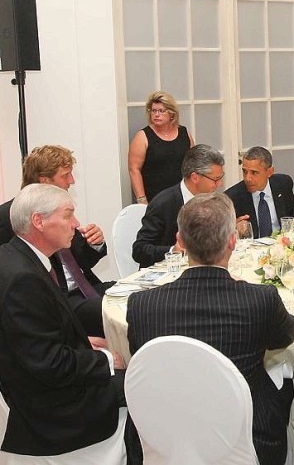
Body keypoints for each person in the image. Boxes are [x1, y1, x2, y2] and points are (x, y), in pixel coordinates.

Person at [127, 193, 294, 465]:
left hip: (167, 437)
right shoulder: (259, 299)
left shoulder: (142, 305)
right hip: (248, 437)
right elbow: (287, 334)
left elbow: (145, 362)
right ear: (233, 240)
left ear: (180, 242)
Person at [0, 184, 124, 456]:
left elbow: (36, 339)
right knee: (142, 385)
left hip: (38, 392)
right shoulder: (24, 279)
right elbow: (49, 364)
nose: (76, 224)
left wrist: (80, 341)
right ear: (38, 221)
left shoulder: (16, 258)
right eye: (68, 215)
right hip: (53, 413)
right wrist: (104, 359)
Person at [0, 145, 112, 336]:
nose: (72, 181)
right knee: (125, 312)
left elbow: (77, 262)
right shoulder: (9, 216)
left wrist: (95, 244)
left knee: (136, 293)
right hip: (59, 299)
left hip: (86, 287)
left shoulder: (60, 207)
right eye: (65, 175)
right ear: (45, 181)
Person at [132, 144, 225, 268]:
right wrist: (172, 251)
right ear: (195, 177)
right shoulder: (163, 204)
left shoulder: (213, 201)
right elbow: (139, 250)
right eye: (215, 179)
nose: (220, 184)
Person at [128, 90, 195, 204]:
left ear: (171, 113)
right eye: (153, 111)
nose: (156, 114)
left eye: (161, 111)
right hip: (154, 198)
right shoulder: (142, 136)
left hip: (182, 196)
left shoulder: (184, 133)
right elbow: (134, 169)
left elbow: (193, 162)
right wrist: (142, 199)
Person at [225, 146, 294, 238]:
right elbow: (223, 233)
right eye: (245, 171)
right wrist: (234, 229)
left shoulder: (283, 184)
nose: (247, 178)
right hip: (252, 249)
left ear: (270, 172)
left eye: (254, 172)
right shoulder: (232, 197)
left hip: (282, 245)